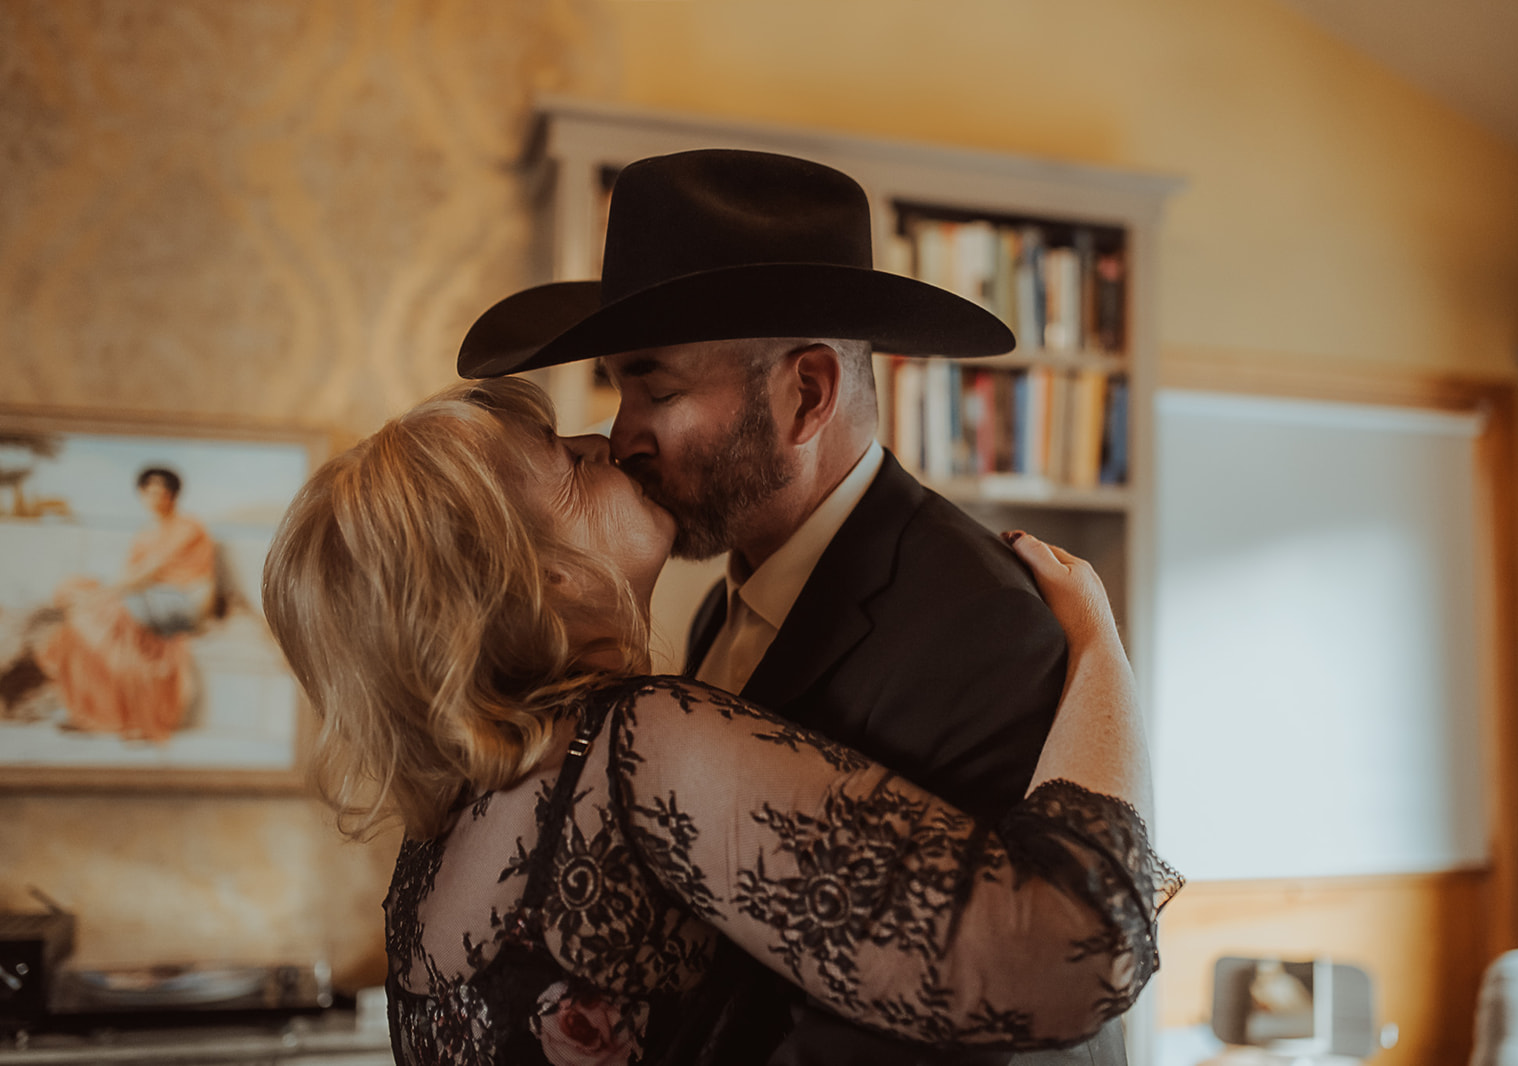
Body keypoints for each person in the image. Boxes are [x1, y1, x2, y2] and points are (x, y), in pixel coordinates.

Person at [260, 376, 1180, 1066]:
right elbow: (1077, 951)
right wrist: (1101, 648)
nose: (607, 440)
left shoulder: (435, 848)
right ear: (536, 577)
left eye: (650, 388)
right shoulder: (635, 742)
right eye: (567, 462)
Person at [457, 148, 1127, 1065]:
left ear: (807, 394)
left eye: (657, 388)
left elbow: (995, 1006)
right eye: (619, 388)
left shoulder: (980, 624)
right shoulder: (718, 609)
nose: (622, 435)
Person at [34, 466, 217, 740]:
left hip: (183, 601)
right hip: (149, 598)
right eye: (149, 492)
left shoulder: (188, 526)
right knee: (84, 611)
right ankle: (90, 709)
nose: (156, 498)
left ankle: (126, 714)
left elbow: (147, 571)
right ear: (141, 494)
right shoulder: (146, 533)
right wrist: (97, 593)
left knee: (105, 615)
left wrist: (101, 594)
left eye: (163, 492)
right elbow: (130, 574)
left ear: (174, 495)